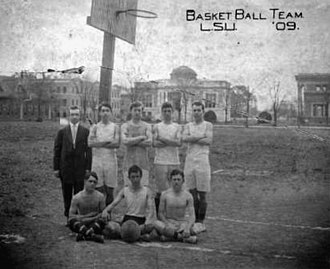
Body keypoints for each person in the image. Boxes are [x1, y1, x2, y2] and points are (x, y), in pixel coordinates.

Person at [53, 106, 92, 223]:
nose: (74, 117)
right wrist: (56, 168)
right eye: (72, 114)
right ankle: (68, 217)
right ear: (69, 116)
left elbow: (88, 151)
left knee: (79, 193)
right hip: (66, 168)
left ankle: (77, 217)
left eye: (76, 114)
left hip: (80, 168)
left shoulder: (85, 131)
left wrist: (87, 168)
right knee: (67, 193)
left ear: (80, 116)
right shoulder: (62, 132)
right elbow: (57, 150)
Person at [182, 101, 213, 233]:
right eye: (194, 110)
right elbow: (184, 138)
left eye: (198, 110)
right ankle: (194, 220)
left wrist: (192, 138)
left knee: (202, 195)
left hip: (202, 161)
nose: (196, 113)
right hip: (190, 161)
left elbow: (208, 140)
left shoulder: (208, 125)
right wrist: (199, 137)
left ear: (203, 111)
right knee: (192, 194)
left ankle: (201, 222)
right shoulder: (188, 125)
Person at [101, 165, 155, 239]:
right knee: (109, 226)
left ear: (141, 177)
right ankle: (137, 235)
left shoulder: (147, 191)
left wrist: (147, 222)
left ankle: (132, 234)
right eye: (133, 177)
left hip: (141, 220)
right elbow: (114, 203)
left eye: (137, 176)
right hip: (127, 220)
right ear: (129, 178)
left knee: (153, 225)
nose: (135, 179)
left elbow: (151, 209)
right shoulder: (125, 190)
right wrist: (106, 210)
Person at [88, 103, 120, 206]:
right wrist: (107, 142)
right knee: (98, 188)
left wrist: (99, 143)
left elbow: (116, 144)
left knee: (110, 189)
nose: (105, 113)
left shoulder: (115, 127)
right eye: (103, 111)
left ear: (110, 113)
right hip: (97, 160)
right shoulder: (95, 127)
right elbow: (90, 143)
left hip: (110, 160)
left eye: (107, 110)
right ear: (99, 113)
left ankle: (108, 213)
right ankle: (99, 214)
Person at [153, 102, 182, 214]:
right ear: (162, 112)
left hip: (174, 161)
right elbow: (155, 143)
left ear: (172, 112)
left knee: (175, 188)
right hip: (160, 161)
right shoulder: (157, 126)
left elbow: (178, 143)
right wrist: (170, 142)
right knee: (161, 190)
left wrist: (162, 139)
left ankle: (173, 214)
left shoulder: (177, 127)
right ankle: (160, 215)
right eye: (164, 111)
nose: (167, 113)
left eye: (169, 111)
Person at [154, 169, 197, 244]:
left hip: (182, 224)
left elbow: (192, 215)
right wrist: (167, 223)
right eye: (174, 179)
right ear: (170, 180)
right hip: (169, 223)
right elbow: (160, 213)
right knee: (156, 223)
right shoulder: (164, 194)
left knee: (198, 227)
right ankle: (181, 238)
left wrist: (187, 227)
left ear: (183, 181)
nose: (176, 182)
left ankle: (170, 237)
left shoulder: (188, 195)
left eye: (178, 179)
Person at [68, 172, 106, 243]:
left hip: (93, 223)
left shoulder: (100, 196)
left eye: (94, 182)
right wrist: (87, 217)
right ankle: (93, 236)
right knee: (71, 222)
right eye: (90, 181)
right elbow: (71, 216)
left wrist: (92, 218)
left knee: (102, 221)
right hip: (82, 222)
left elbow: (103, 213)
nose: (92, 184)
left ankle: (84, 235)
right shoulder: (77, 197)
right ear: (85, 181)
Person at [121, 101, 152, 186]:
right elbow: (125, 141)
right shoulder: (125, 126)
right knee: (129, 189)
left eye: (139, 110)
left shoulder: (147, 126)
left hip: (143, 163)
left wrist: (132, 141)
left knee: (143, 189)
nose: (137, 112)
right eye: (135, 110)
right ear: (131, 111)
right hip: (129, 162)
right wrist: (141, 138)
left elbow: (149, 142)